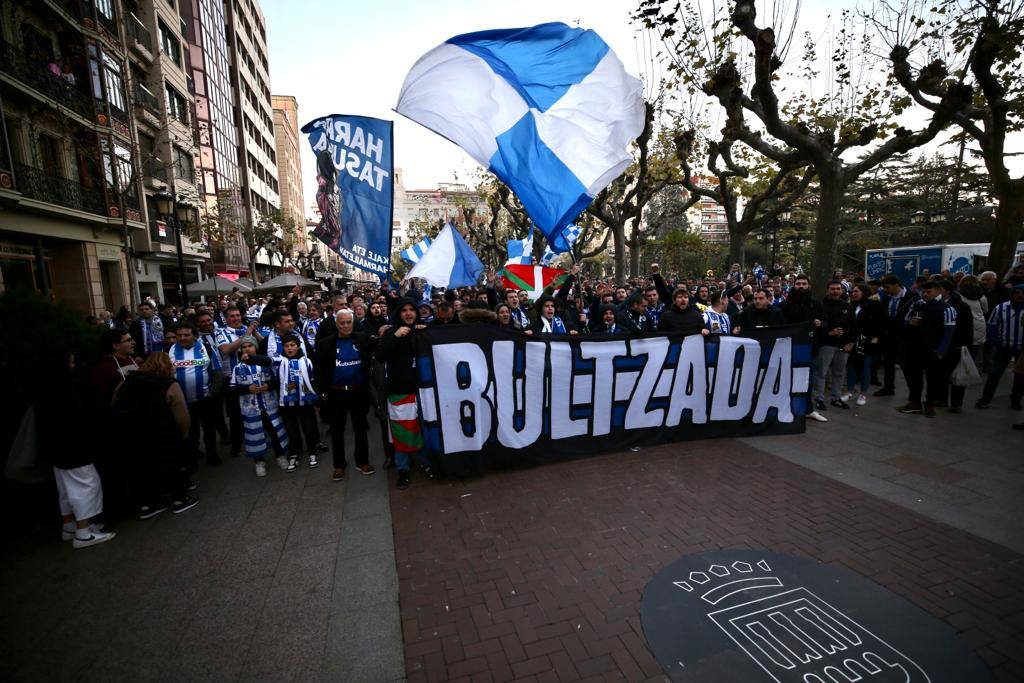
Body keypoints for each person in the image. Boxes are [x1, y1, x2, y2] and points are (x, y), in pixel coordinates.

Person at [34, 351, 117, 548]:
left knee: (66, 489)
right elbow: (79, 419)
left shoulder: (43, 389)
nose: (73, 366)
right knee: (87, 486)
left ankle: (70, 526)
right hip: (73, 448)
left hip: (56, 450)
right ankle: (83, 532)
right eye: (70, 363)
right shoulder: (66, 391)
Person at [112, 352, 197, 518]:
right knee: (172, 465)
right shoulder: (169, 385)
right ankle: (179, 499)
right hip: (164, 434)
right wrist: (184, 434)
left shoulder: (126, 382)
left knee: (143, 468)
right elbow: (182, 416)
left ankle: (148, 504)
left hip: (135, 433)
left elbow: (114, 402)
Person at [314, 310, 376, 481]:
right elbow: (318, 370)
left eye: (349, 322)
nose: (346, 326)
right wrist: (322, 393)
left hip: (358, 392)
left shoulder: (362, 339)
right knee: (337, 431)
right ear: (336, 324)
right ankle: (339, 465)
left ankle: (362, 461)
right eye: (342, 322)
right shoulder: (325, 344)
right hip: (336, 394)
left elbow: (380, 344)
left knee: (361, 428)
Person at [375, 299, 426, 490]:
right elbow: (381, 356)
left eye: (412, 309)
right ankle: (403, 469)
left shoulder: (422, 331)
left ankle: (425, 463)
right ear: (398, 314)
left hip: (423, 390)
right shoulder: (391, 332)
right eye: (404, 310)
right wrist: (394, 336)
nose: (409, 313)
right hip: (399, 390)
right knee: (401, 431)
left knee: (423, 427)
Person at [230, 336, 289, 476]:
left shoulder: (265, 363)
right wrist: (247, 389)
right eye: (244, 347)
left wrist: (268, 386)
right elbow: (232, 389)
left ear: (255, 348)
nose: (247, 349)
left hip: (270, 406)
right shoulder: (238, 368)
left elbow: (278, 380)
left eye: (250, 346)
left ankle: (280, 455)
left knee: (275, 431)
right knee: (255, 435)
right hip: (251, 409)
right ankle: (259, 462)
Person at [898, 281, 956, 418]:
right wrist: (909, 323)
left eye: (928, 292)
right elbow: (905, 321)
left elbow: (949, 332)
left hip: (933, 350)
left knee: (933, 379)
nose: (925, 294)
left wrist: (941, 351)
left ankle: (930, 404)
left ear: (938, 292)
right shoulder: (917, 304)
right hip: (915, 348)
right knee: (914, 378)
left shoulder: (947, 308)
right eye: (923, 292)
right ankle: (914, 402)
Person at [169, 321, 220, 468]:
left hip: (205, 399)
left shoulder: (207, 348)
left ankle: (212, 455)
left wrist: (213, 393)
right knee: (190, 431)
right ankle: (193, 456)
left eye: (186, 335)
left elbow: (217, 371)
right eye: (179, 335)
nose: (182, 338)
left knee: (209, 429)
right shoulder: (170, 351)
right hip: (182, 402)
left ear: (194, 335)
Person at [976, 284, 1024, 410]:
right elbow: (992, 325)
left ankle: (1016, 400)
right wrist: (995, 342)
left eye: (1022, 293)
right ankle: (985, 399)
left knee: (1020, 377)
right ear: (1012, 294)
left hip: (1022, 350)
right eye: (1017, 292)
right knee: (994, 374)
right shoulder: (1002, 307)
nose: (1020, 295)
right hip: (1004, 347)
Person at [277, 334, 321, 471]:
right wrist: (251, 359)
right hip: (287, 405)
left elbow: (312, 381)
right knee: (291, 430)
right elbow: (266, 360)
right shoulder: (280, 361)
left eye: (292, 345)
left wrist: (317, 401)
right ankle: (294, 453)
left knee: (309, 428)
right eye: (286, 346)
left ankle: (312, 451)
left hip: (304, 403)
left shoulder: (306, 361)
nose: (289, 348)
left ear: (298, 346)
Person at [812, 281, 856, 411]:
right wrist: (829, 332)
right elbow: (817, 326)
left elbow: (854, 326)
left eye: (838, 289)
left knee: (839, 373)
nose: (835, 291)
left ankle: (836, 398)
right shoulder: (820, 306)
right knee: (821, 372)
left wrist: (851, 342)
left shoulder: (848, 307)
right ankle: (819, 399)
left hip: (844, 345)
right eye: (832, 289)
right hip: (826, 344)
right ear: (827, 290)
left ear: (842, 291)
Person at [875, 275, 920, 397]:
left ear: (896, 285)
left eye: (887, 287)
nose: (885, 290)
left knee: (906, 365)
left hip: (904, 337)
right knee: (888, 364)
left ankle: (913, 393)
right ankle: (888, 387)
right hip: (888, 336)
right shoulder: (885, 298)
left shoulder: (912, 298)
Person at [842, 284, 886, 407]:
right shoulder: (852, 305)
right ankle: (850, 391)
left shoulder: (875, 305)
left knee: (865, 366)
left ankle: (863, 393)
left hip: (867, 340)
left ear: (864, 292)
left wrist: (876, 337)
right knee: (851, 366)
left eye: (856, 291)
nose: (853, 293)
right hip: (853, 339)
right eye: (853, 291)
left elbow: (882, 322)